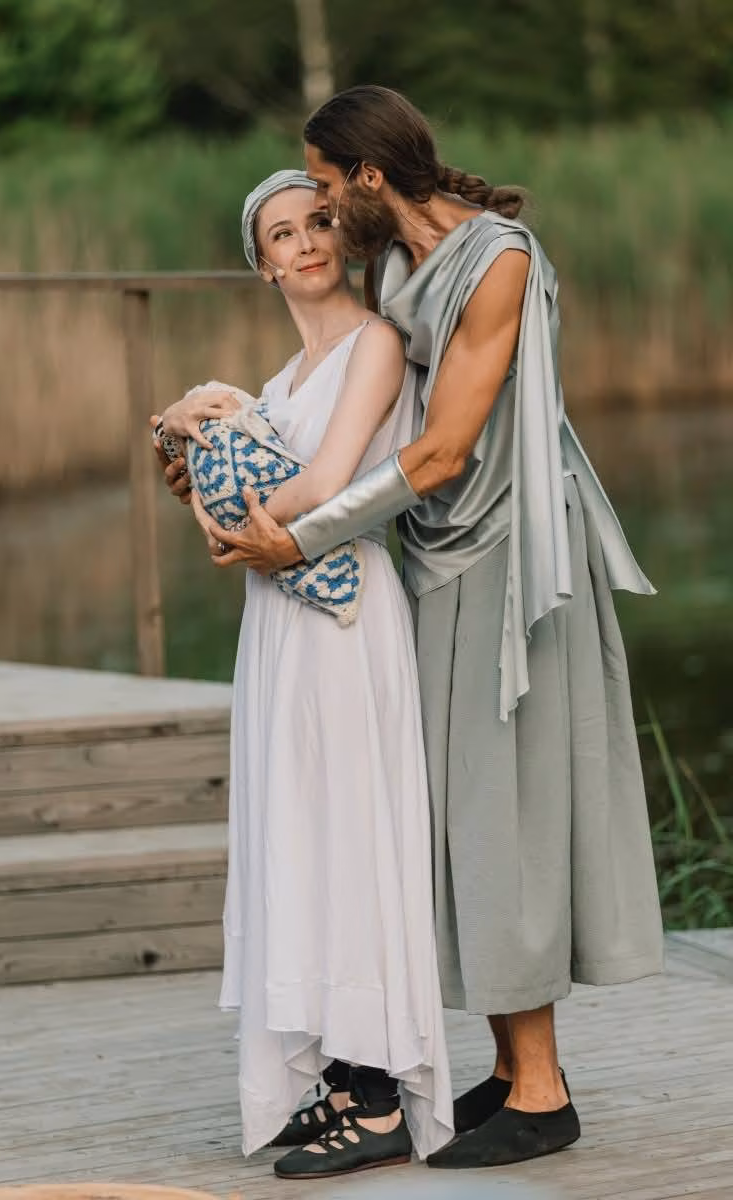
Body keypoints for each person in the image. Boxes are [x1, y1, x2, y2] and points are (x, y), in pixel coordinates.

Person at [161, 87, 664, 1170]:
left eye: (324, 189)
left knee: (502, 809)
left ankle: (541, 1092)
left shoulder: (498, 262)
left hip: (512, 557)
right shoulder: (393, 263)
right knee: (451, 818)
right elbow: (348, 424)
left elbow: (439, 453)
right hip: (430, 555)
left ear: (369, 177)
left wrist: (296, 542)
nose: (318, 217)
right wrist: (195, 444)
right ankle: (509, 1070)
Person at [155, 168, 453, 1179]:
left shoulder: (376, 345)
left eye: (319, 221)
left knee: (351, 831)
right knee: (298, 834)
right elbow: (238, 489)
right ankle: (334, 1073)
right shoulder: (280, 382)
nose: (306, 242)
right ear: (263, 264)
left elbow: (326, 484)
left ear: (343, 232)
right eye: (282, 234)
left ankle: (380, 1094)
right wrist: (191, 441)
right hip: (277, 620)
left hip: (347, 613)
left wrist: (226, 485)